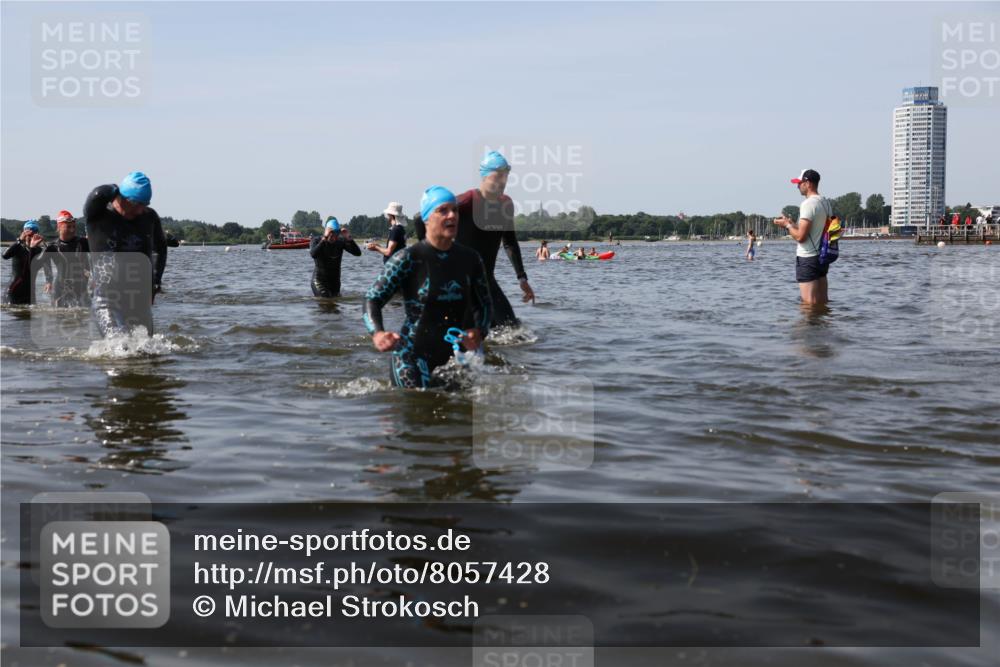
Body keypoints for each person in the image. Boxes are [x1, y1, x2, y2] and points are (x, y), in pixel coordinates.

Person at [364, 186, 492, 389]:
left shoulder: (471, 259)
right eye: (443, 210)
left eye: (455, 210)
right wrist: (378, 333)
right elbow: (372, 299)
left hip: (454, 357)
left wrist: (479, 331)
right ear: (426, 219)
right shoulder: (407, 258)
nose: (452, 215)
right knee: (416, 409)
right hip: (411, 357)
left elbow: (484, 303)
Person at [414, 151, 534, 328]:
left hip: (487, 281)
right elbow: (419, 218)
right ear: (484, 177)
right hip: (459, 282)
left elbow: (509, 242)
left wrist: (522, 278)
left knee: (513, 330)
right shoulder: (467, 201)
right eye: (497, 176)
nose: (503, 181)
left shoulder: (506, 205)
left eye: (505, 176)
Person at [84, 171, 168, 337]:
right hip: (107, 298)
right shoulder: (99, 215)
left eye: (144, 205)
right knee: (120, 345)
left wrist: (155, 282)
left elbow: (160, 248)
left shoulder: (149, 217)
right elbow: (95, 195)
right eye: (137, 204)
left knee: (147, 351)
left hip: (138, 297)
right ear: (122, 197)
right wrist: (115, 188)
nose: (140, 211)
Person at [773, 169, 833, 306]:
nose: (797, 186)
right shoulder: (825, 202)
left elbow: (801, 237)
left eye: (799, 183)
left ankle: (808, 328)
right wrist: (791, 223)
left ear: (808, 183)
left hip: (808, 258)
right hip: (822, 257)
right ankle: (824, 327)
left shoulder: (808, 204)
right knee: (822, 303)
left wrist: (787, 226)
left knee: (809, 304)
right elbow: (813, 230)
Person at [40, 210, 90, 307]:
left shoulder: (82, 242)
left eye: (73, 227)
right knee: (59, 317)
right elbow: (44, 262)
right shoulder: (52, 246)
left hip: (80, 286)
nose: (72, 230)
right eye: (68, 227)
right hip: (59, 287)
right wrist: (48, 281)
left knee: (81, 318)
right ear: (59, 227)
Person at [310, 217, 360, 297]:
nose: (334, 238)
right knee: (325, 300)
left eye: (336, 235)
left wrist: (350, 239)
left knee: (335, 306)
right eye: (331, 234)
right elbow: (313, 254)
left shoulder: (340, 242)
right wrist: (324, 239)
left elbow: (357, 253)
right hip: (319, 281)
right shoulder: (316, 240)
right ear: (326, 232)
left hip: (335, 282)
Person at [3, 220, 46, 305]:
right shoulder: (18, 247)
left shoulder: (39, 251)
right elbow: (5, 256)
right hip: (15, 289)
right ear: (24, 233)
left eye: (33, 234)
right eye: (28, 234)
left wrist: (33, 248)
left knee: (30, 316)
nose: (30, 237)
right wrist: (19, 241)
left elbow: (33, 267)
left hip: (29, 292)